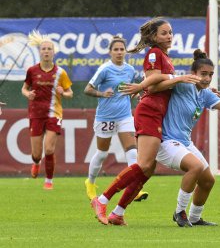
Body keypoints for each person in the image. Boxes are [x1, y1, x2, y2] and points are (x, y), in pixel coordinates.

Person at [90, 17, 200, 226]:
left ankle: (118, 213)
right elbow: (153, 86)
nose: (169, 36)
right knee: (144, 165)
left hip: (157, 113)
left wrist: (186, 84)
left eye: (170, 32)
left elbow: (157, 84)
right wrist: (171, 80)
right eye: (164, 33)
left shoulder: (164, 56)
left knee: (148, 169)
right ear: (153, 37)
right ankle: (101, 200)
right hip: (149, 111)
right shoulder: (154, 53)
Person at [139, 49, 220, 227]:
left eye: (210, 75)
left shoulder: (205, 94)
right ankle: (179, 212)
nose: (207, 78)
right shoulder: (183, 85)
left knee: (208, 181)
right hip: (166, 141)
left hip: (184, 142)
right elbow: (156, 85)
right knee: (195, 167)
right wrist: (141, 89)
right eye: (203, 74)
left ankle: (195, 218)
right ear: (194, 74)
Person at [83, 36, 148, 202]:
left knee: (133, 151)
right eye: (116, 49)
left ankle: (135, 187)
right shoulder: (105, 69)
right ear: (110, 52)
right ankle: (90, 183)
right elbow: (87, 89)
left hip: (124, 116)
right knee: (102, 153)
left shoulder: (130, 70)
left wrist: (135, 93)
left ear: (125, 51)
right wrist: (101, 93)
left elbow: (128, 88)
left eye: (122, 49)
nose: (119, 52)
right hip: (105, 117)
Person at [21, 30, 73, 190]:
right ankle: (36, 163)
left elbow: (70, 93)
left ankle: (49, 181)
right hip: (36, 114)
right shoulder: (32, 71)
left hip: (54, 113)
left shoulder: (60, 72)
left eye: (49, 49)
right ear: (39, 52)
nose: (46, 51)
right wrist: (28, 94)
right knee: (36, 153)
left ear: (54, 52)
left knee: (49, 148)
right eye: (43, 49)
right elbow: (24, 88)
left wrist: (63, 93)